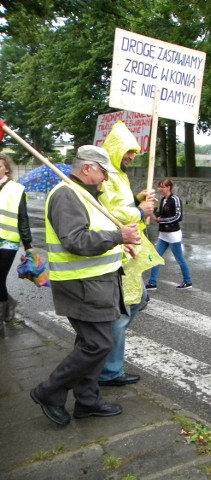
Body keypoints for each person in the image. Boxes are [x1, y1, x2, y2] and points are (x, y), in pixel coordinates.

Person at [30, 145, 141, 426]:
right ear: (88, 167)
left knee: (92, 343)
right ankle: (48, 391)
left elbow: (93, 233)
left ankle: (88, 402)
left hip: (97, 283)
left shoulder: (87, 194)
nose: (106, 178)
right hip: (81, 285)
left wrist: (120, 245)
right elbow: (76, 240)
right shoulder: (67, 195)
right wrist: (118, 236)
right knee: (97, 345)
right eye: (103, 171)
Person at [98, 121, 156, 387]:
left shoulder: (118, 175)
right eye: (129, 152)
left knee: (138, 301)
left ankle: (105, 348)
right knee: (121, 316)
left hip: (127, 253)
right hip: (118, 253)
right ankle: (110, 370)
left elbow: (122, 205)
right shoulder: (107, 176)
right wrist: (140, 209)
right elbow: (111, 212)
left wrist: (136, 199)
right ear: (117, 150)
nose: (133, 157)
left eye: (134, 152)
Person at [0, 153, 33, 332]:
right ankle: (9, 304)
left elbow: (23, 218)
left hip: (8, 241)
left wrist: (28, 245)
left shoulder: (16, 189)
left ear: (7, 168)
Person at [145, 179, 192, 290]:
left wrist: (161, 220)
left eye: (163, 186)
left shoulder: (175, 199)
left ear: (169, 187)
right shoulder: (163, 200)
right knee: (156, 257)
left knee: (180, 258)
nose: (160, 189)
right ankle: (152, 283)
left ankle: (188, 281)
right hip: (163, 234)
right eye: (159, 186)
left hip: (173, 234)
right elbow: (160, 214)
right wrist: (152, 211)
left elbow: (178, 217)